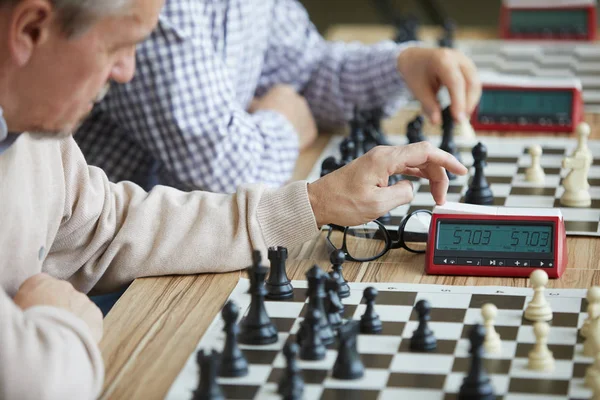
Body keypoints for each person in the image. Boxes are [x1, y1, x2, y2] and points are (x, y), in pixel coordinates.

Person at [0, 0, 466, 398]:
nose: (127, 72)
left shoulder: (35, 135)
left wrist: (313, 204)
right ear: (31, 29)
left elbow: (104, 227)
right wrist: (67, 327)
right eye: (117, 48)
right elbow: (35, 383)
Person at [74, 0, 481, 193]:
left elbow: (307, 68)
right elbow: (225, 174)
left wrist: (403, 64)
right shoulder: (165, 7)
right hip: (99, 273)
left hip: (170, 240)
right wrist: (285, 122)